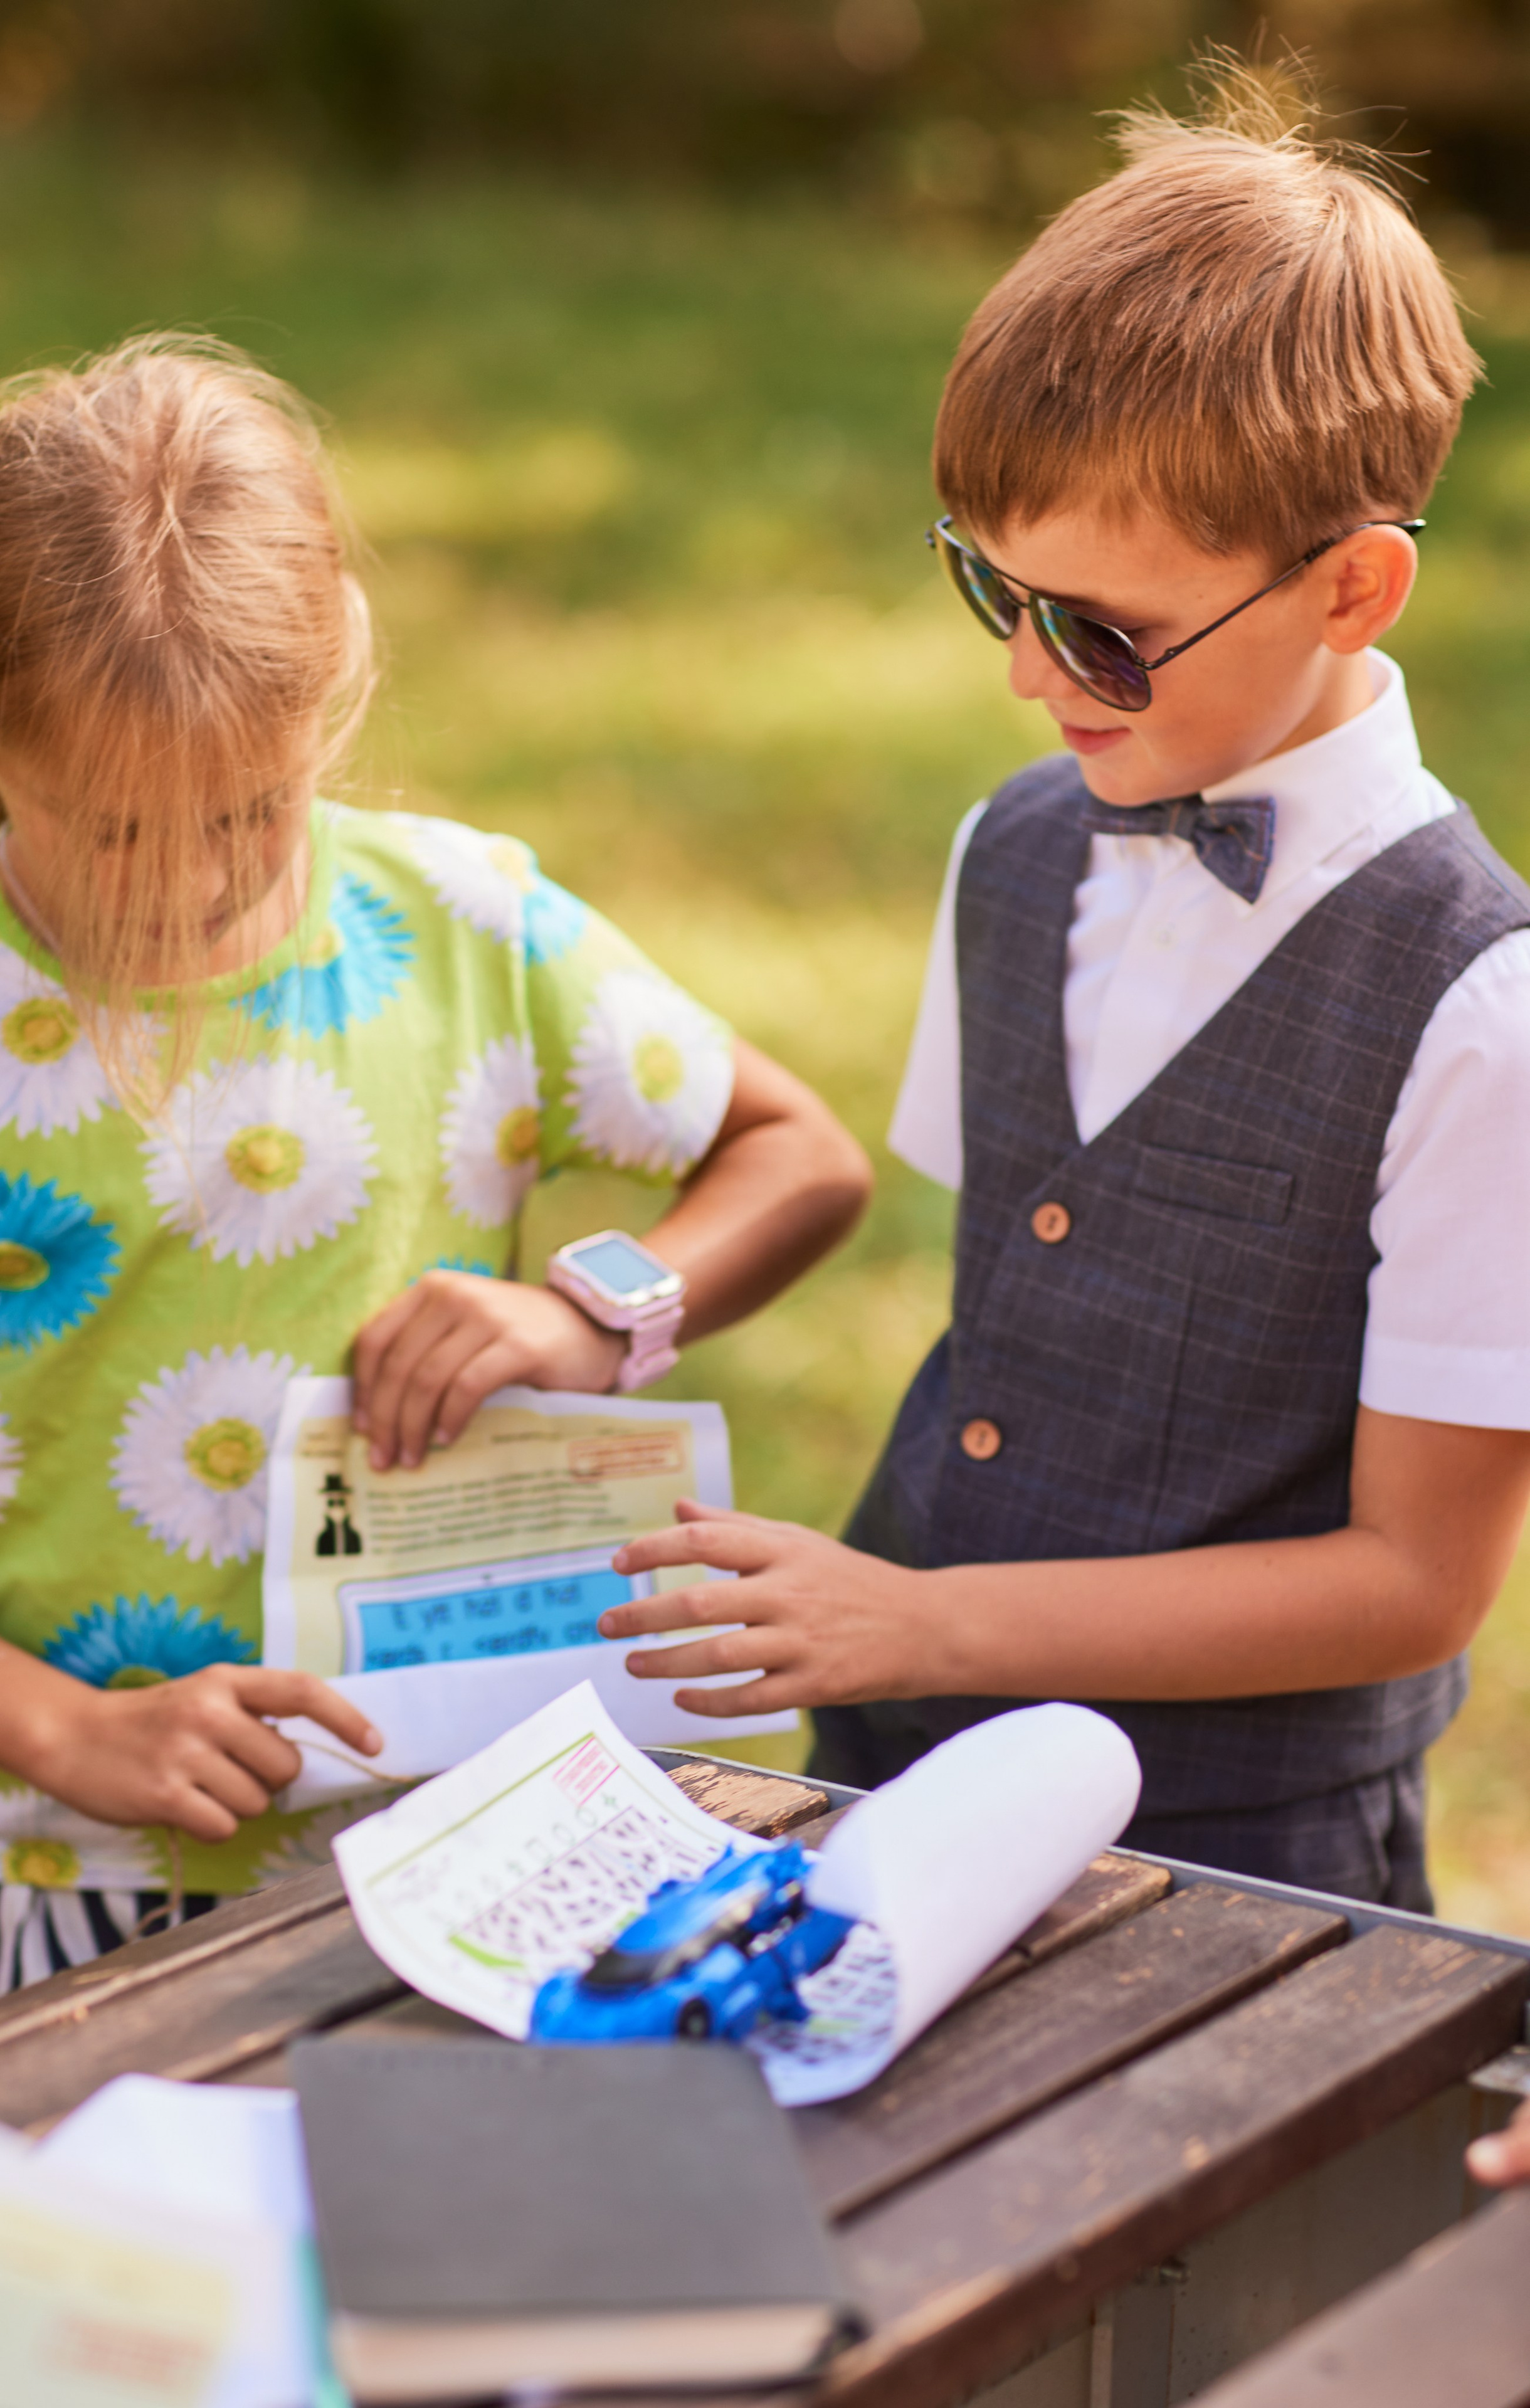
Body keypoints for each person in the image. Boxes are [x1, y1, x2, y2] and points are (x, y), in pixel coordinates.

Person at [601, 70, 1530, 1910]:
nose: (1035, 677)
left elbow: (1415, 1583)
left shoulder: (1482, 1011)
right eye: (992, 592)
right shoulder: (1015, 847)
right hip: (893, 1778)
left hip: (1234, 1872)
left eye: (1101, 629)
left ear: (1353, 589)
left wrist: (927, 1623)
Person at [0, 334, 870, 2016]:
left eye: (251, 813)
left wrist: (597, 1315)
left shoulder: (468, 935)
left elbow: (796, 1155)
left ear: (339, 665)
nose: (198, 885)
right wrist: (68, 1731)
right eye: (123, 831)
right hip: (39, 1871)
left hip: (445, 1849)